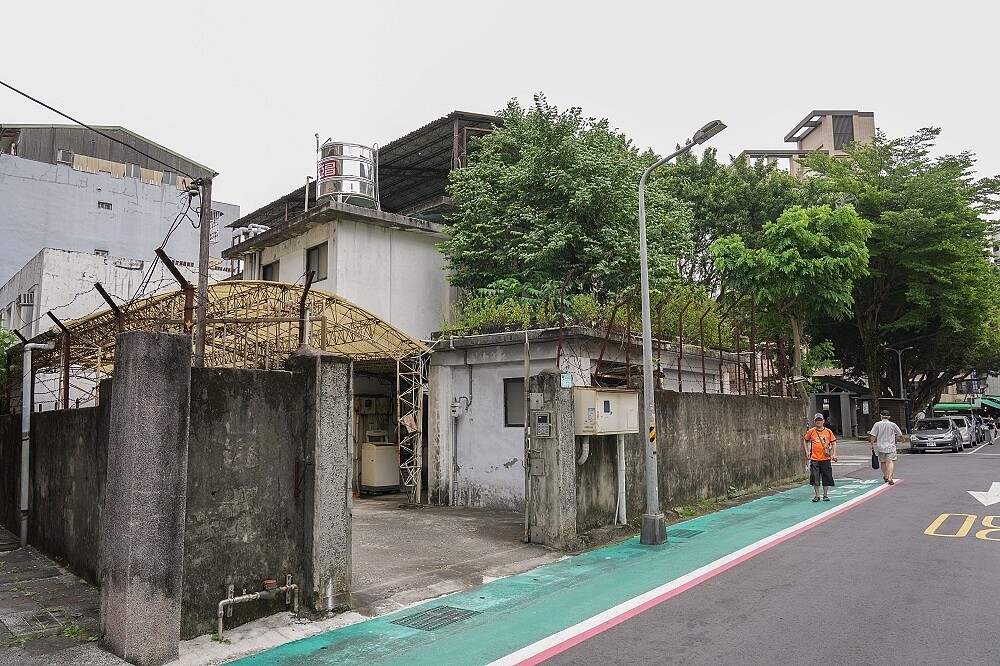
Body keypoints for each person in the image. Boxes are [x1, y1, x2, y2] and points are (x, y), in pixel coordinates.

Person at [804, 413, 837, 502]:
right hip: (814, 458)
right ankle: (817, 495)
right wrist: (807, 452)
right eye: (816, 420)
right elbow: (805, 440)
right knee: (815, 477)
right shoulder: (811, 431)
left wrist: (834, 454)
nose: (818, 422)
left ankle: (825, 495)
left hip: (825, 458)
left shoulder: (828, 432)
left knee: (826, 476)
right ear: (814, 422)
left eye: (820, 420)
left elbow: (833, 442)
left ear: (823, 421)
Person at [870, 409, 904, 484]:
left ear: (881, 416)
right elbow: (900, 434)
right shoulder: (893, 425)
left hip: (880, 446)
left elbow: (873, 435)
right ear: (889, 417)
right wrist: (902, 440)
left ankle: (885, 476)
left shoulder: (877, 424)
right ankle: (890, 478)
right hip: (891, 446)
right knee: (891, 462)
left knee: (883, 462)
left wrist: (871, 444)